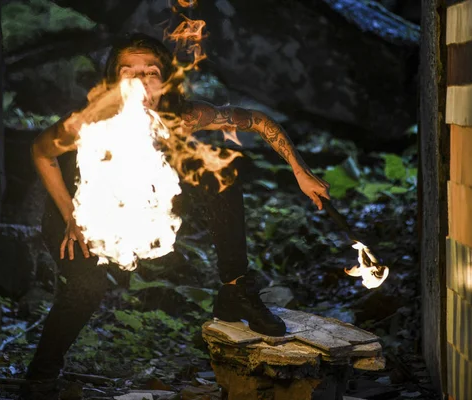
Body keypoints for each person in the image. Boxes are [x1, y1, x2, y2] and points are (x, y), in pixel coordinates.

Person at [22, 32, 330, 397]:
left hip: (145, 203)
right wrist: (72, 214)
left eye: (150, 73)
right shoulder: (91, 120)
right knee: (87, 290)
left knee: (220, 177)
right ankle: (40, 377)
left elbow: (258, 121)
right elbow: (41, 151)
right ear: (112, 79)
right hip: (80, 212)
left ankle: (236, 289)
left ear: (166, 79)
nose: (139, 83)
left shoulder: (184, 116)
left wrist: (300, 169)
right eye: (128, 72)